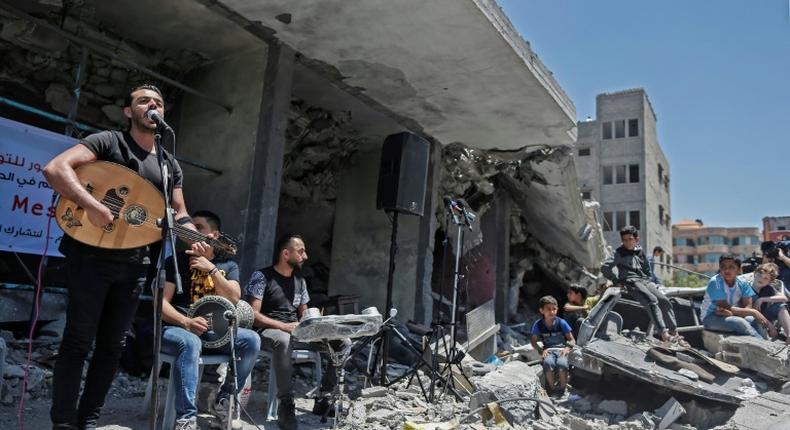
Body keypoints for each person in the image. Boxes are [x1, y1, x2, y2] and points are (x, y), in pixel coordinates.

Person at [43, 84, 201, 430]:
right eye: (144, 100)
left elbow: (180, 213)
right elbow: (56, 169)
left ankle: (89, 420)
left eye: (158, 102)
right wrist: (92, 206)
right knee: (78, 341)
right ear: (129, 111)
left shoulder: (168, 164)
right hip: (90, 258)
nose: (152, 105)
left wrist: (198, 239)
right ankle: (63, 423)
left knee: (113, 347)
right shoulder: (108, 142)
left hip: (135, 263)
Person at [160, 210, 260, 430]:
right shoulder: (175, 261)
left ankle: (224, 402)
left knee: (251, 340)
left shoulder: (228, 266)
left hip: (216, 333)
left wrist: (211, 269)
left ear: (213, 235)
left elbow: (234, 297)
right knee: (190, 342)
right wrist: (186, 322)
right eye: (190, 228)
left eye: (198, 228)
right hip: (177, 328)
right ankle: (186, 419)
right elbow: (161, 304)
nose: (191, 232)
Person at [243, 234, 336, 430]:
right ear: (286, 254)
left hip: (295, 331)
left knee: (341, 342)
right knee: (284, 340)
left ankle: (324, 399)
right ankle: (286, 405)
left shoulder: (300, 281)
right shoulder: (261, 277)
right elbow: (252, 314)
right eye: (301, 251)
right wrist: (283, 326)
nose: (306, 256)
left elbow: (305, 314)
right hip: (268, 331)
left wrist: (321, 326)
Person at [601, 226, 680, 343]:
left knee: (664, 301)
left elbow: (647, 269)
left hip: (645, 281)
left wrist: (648, 278)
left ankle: (675, 332)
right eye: (625, 240)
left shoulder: (640, 252)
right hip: (632, 282)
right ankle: (664, 334)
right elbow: (605, 267)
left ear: (636, 239)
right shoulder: (619, 253)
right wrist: (616, 281)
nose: (627, 242)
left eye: (630, 239)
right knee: (652, 300)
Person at [700, 254, 768, 339]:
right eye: (723, 267)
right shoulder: (716, 282)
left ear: (739, 270)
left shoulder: (742, 283)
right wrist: (754, 312)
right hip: (710, 318)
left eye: (731, 267)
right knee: (739, 322)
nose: (726, 270)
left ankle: (766, 341)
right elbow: (724, 307)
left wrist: (749, 313)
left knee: (755, 320)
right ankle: (764, 345)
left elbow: (748, 306)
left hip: (731, 314)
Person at [531, 296, 575, 396]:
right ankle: (552, 388)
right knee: (548, 363)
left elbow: (572, 339)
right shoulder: (538, 325)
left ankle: (563, 389)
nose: (552, 312)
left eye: (554, 309)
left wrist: (567, 348)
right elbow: (533, 341)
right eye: (548, 309)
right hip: (549, 350)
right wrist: (541, 350)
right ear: (541, 310)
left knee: (562, 364)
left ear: (557, 309)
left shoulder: (562, 323)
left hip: (562, 350)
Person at [749, 263, 790, 343]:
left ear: (770, 281)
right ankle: (766, 342)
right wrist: (770, 326)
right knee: (757, 321)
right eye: (760, 275)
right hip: (751, 318)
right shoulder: (746, 287)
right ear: (755, 273)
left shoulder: (767, 289)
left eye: (766, 278)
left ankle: (789, 335)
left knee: (781, 306)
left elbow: (784, 298)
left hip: (765, 315)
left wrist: (762, 299)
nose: (761, 279)